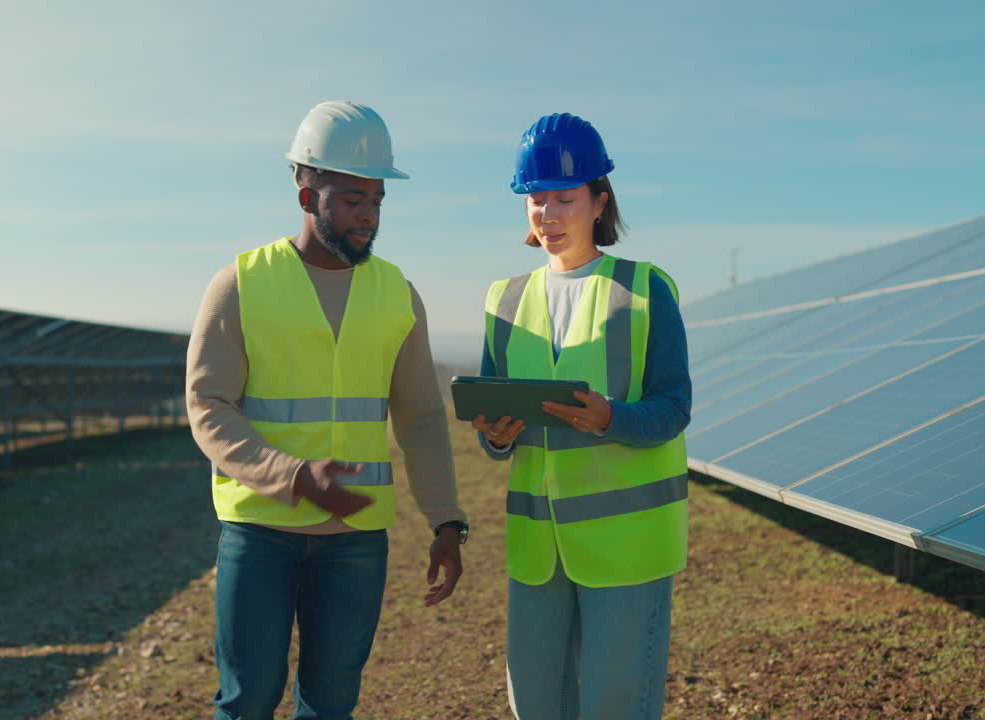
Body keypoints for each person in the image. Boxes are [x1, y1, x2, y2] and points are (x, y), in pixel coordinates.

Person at [187, 100, 469, 720]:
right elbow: (209, 405)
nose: (367, 216)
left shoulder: (397, 293)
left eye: (376, 202)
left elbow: (421, 417)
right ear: (305, 191)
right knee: (247, 699)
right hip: (259, 532)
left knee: (332, 703)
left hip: (356, 541)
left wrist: (447, 519)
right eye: (350, 200)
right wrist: (290, 476)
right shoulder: (240, 284)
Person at [472, 112, 692, 720]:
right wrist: (494, 436)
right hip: (538, 548)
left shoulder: (646, 290)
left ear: (600, 200)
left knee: (614, 706)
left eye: (564, 198)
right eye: (535, 200)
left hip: (628, 547)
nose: (548, 214)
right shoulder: (504, 301)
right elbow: (495, 426)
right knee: (536, 705)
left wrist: (610, 419)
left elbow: (674, 408)